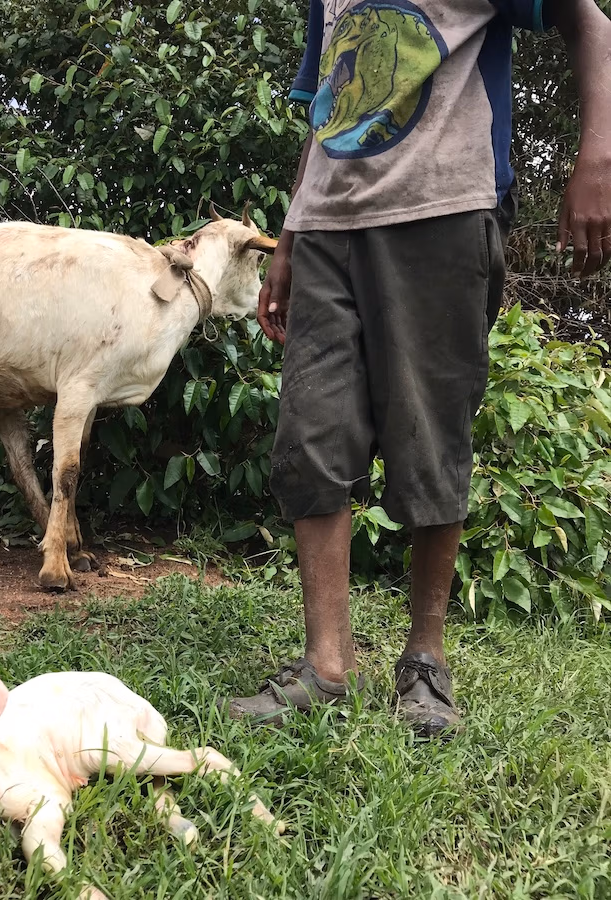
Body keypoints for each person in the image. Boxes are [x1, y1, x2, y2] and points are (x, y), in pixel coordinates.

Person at [228, 0, 611, 737]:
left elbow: (590, 21)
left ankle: (425, 661)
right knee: (310, 434)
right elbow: (327, 108)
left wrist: (597, 157)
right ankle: (326, 665)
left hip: (444, 210)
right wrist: (290, 237)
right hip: (328, 226)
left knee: (429, 435)